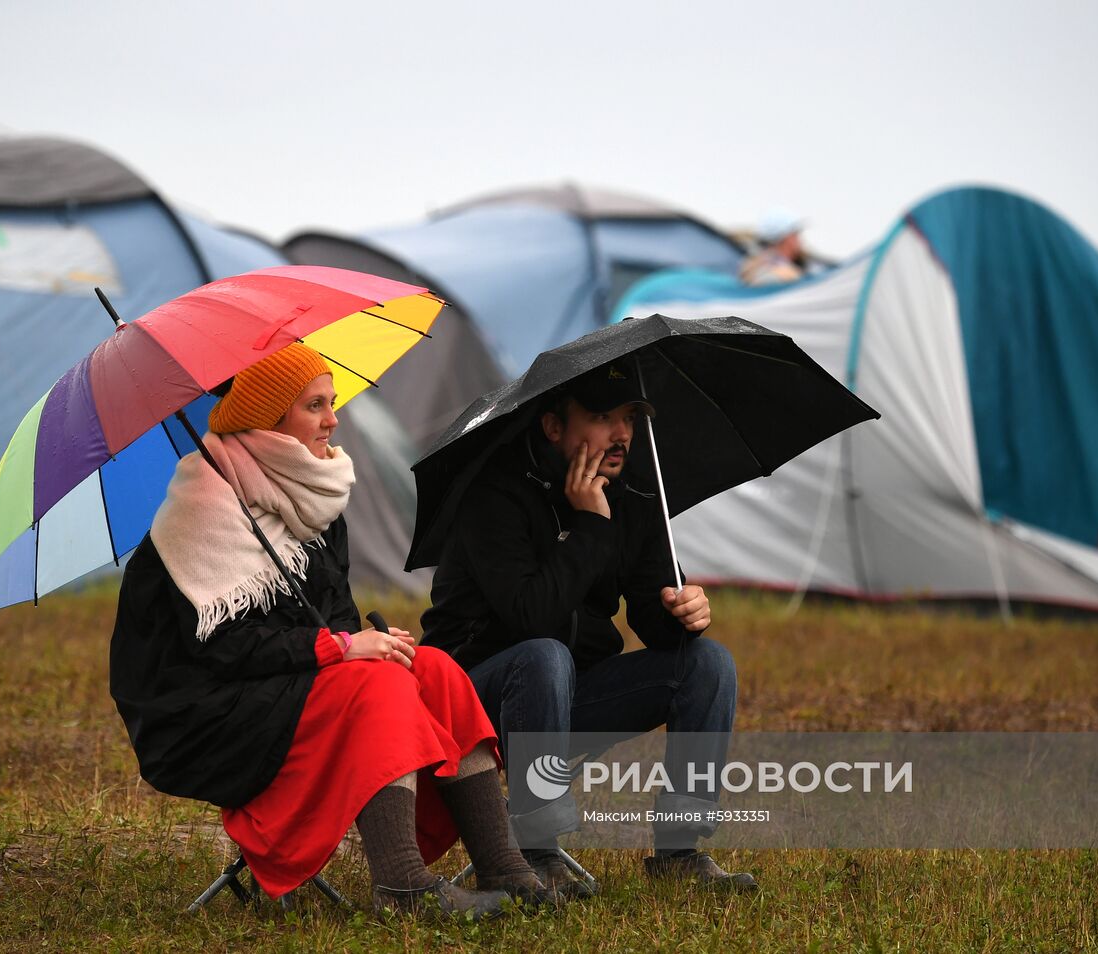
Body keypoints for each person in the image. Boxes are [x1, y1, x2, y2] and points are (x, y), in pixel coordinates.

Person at [110, 343, 546, 920]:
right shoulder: (200, 512)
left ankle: (506, 868)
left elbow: (336, 616)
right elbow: (219, 649)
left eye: (332, 401)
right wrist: (340, 649)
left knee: (430, 668)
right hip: (203, 714)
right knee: (377, 685)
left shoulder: (313, 498)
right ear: (269, 418)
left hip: (288, 685)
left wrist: (366, 644)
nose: (333, 419)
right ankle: (402, 886)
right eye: (315, 405)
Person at [420, 362, 757, 893]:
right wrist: (589, 528)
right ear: (554, 427)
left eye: (630, 417)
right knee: (543, 654)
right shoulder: (495, 495)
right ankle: (535, 854)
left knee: (707, 665)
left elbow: (653, 621)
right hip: (471, 702)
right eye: (602, 416)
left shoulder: (637, 495)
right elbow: (531, 616)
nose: (621, 433)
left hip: (570, 694)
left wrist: (683, 613)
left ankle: (679, 851)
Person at [741, 207, 808, 286]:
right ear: (787, 238)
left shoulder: (752, 267)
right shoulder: (781, 276)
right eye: (796, 234)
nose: (799, 240)